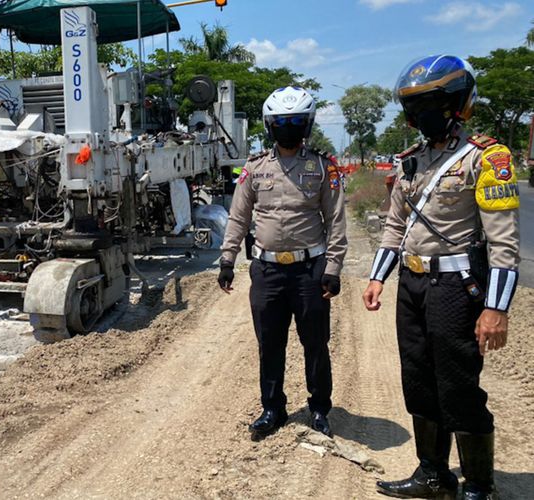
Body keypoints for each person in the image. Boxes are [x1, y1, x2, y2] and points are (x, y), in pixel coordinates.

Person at [362, 55, 520, 500]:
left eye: (429, 104)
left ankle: (479, 487)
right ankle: (433, 473)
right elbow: (395, 226)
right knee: (417, 380)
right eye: (413, 106)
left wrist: (495, 307)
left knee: (457, 386)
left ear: (456, 104)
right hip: (410, 286)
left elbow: (504, 242)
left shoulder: (486, 159)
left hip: (456, 287)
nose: (419, 116)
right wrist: (378, 277)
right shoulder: (412, 161)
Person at [218, 86, 347, 439]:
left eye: (295, 121)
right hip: (268, 271)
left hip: (310, 270)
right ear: (269, 126)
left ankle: (319, 408)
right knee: (270, 343)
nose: (287, 128)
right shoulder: (254, 168)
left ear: (307, 125)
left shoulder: (323, 167)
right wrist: (227, 259)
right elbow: (238, 217)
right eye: (281, 122)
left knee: (315, 344)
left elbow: (336, 221)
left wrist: (332, 269)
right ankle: (272, 407)